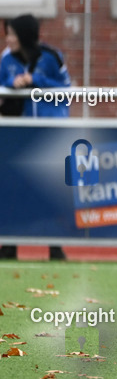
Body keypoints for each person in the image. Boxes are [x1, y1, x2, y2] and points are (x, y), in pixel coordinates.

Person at [0, 14, 71, 261]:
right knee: (15, 189)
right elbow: (2, 85)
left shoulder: (52, 56)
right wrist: (13, 83)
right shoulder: (6, 59)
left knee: (49, 190)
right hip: (22, 132)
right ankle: (9, 245)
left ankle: (55, 247)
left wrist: (35, 81)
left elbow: (67, 90)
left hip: (50, 132)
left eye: (11, 34)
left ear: (24, 35)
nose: (7, 38)